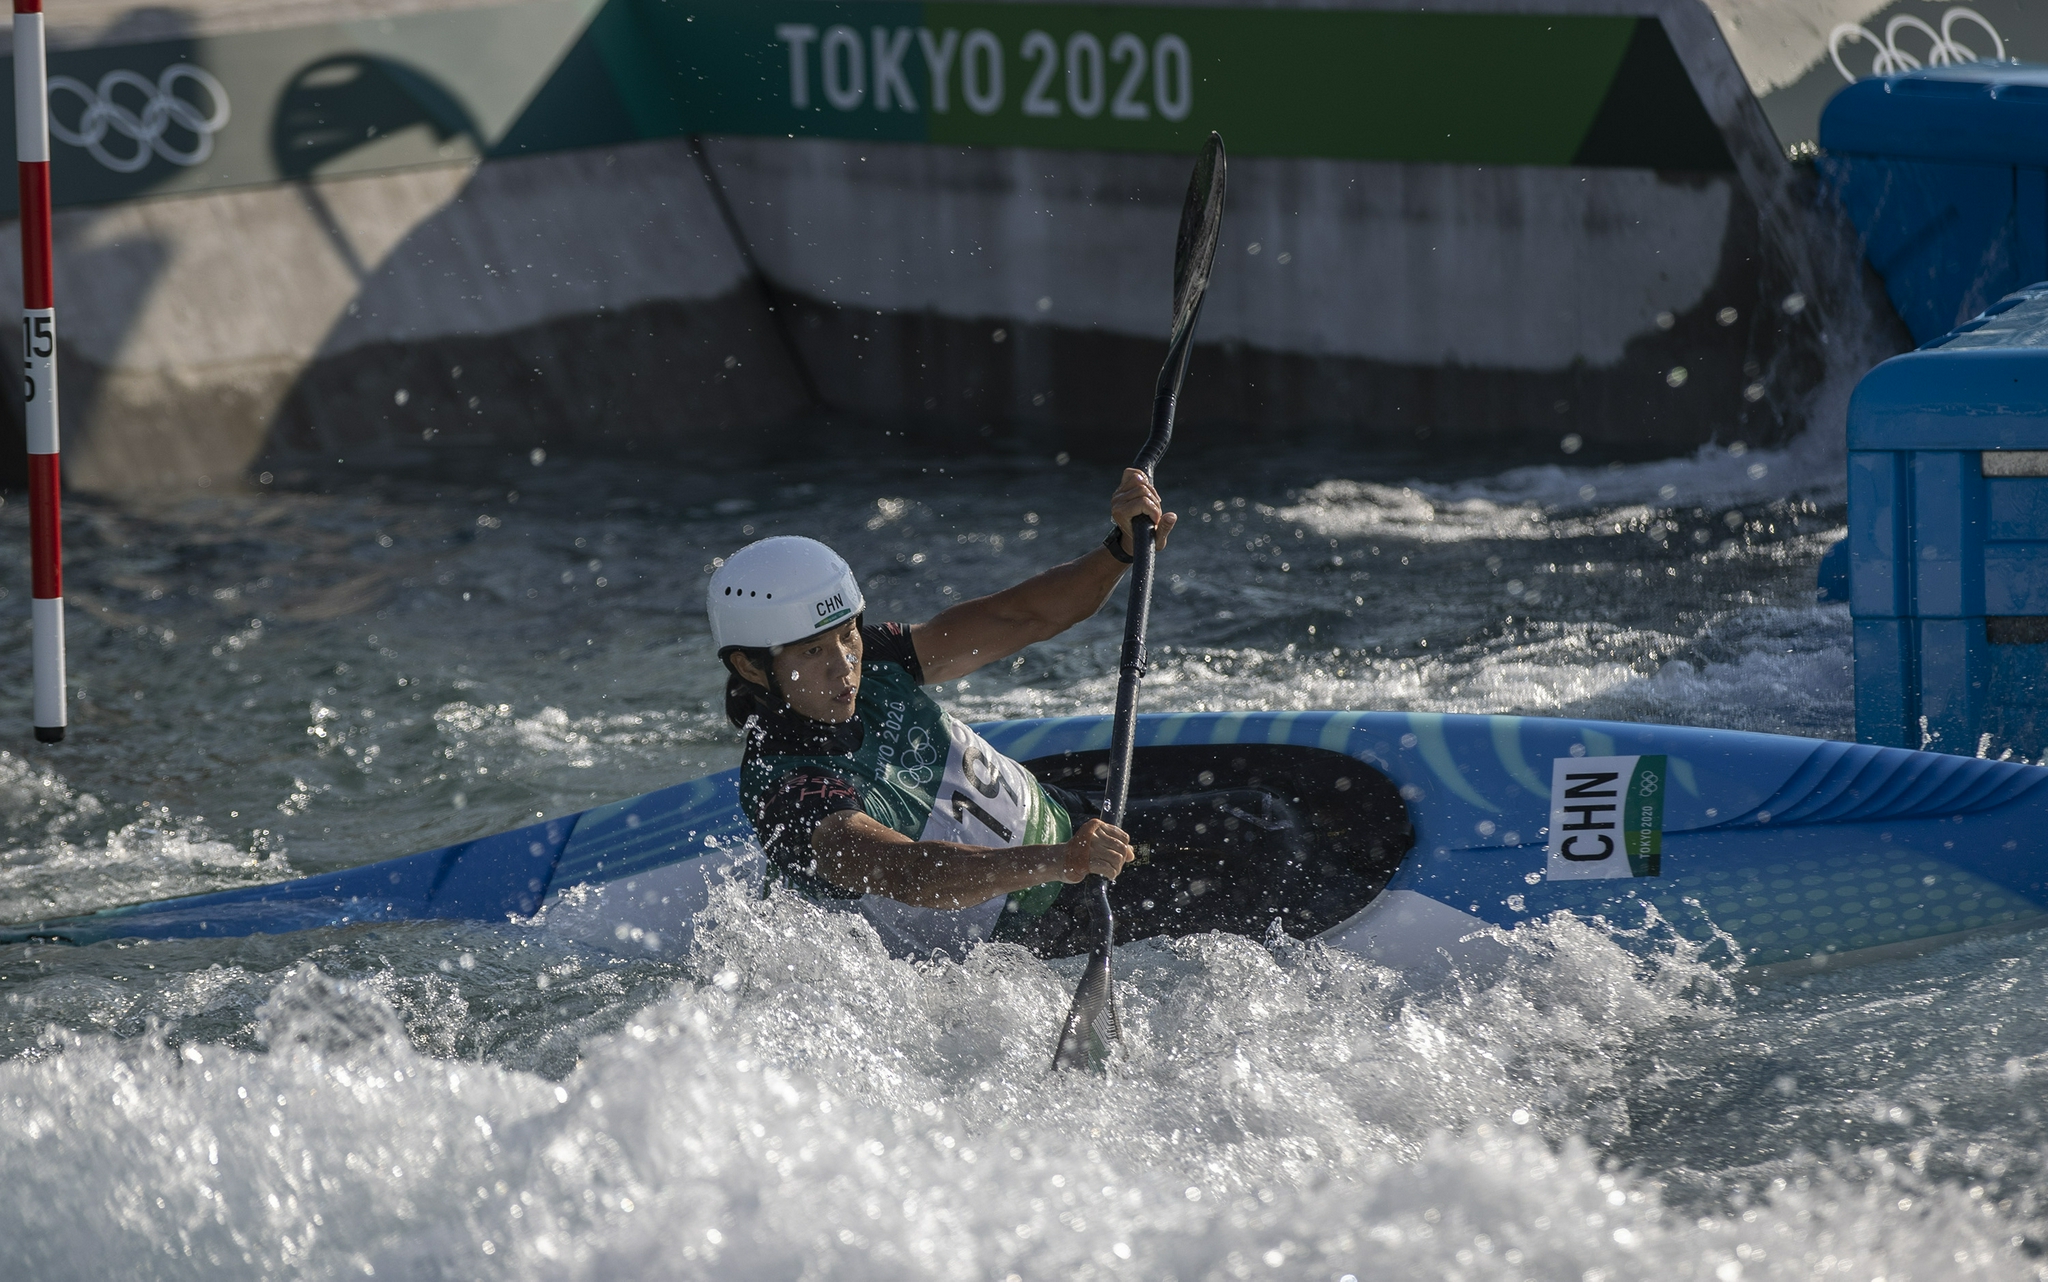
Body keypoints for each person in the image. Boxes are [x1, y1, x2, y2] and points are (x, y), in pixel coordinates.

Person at [709, 469, 1187, 957]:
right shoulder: (790, 789)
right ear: (750, 665)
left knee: (1261, 815)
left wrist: (1121, 548)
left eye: (848, 634)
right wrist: (1061, 861)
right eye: (812, 653)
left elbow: (1021, 616)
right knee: (1265, 836)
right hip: (1029, 934)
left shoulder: (873, 656)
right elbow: (912, 873)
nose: (845, 666)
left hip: (1068, 820)